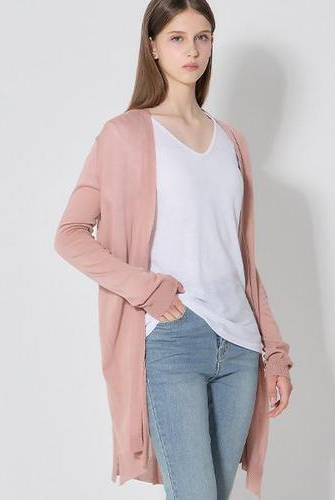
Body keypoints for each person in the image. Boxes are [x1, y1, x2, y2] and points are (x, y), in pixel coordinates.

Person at [54, 1, 294, 499]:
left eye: (203, 37)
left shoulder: (232, 142)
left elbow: (242, 263)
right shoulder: (125, 135)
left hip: (240, 345)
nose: (192, 50)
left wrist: (274, 353)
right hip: (172, 339)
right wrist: (147, 290)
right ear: (153, 47)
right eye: (177, 38)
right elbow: (71, 233)